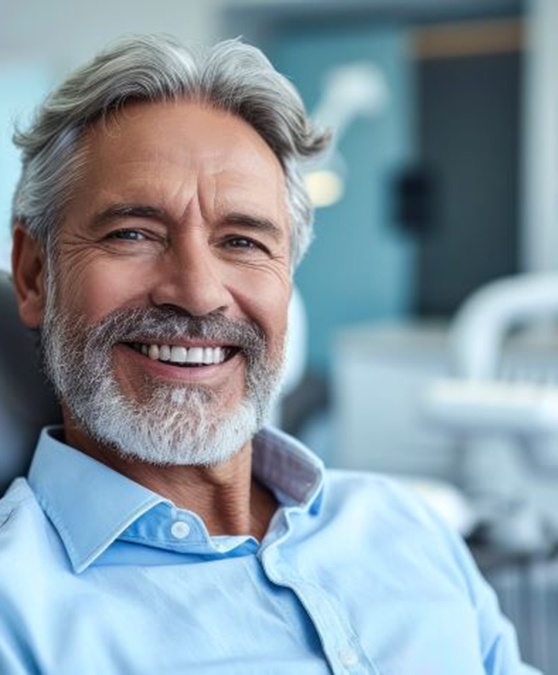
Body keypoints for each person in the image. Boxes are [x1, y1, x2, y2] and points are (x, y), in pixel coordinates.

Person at [0, 34, 539, 675]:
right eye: (133, 233)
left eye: (243, 241)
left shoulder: (406, 526)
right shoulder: (18, 617)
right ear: (34, 274)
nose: (198, 294)